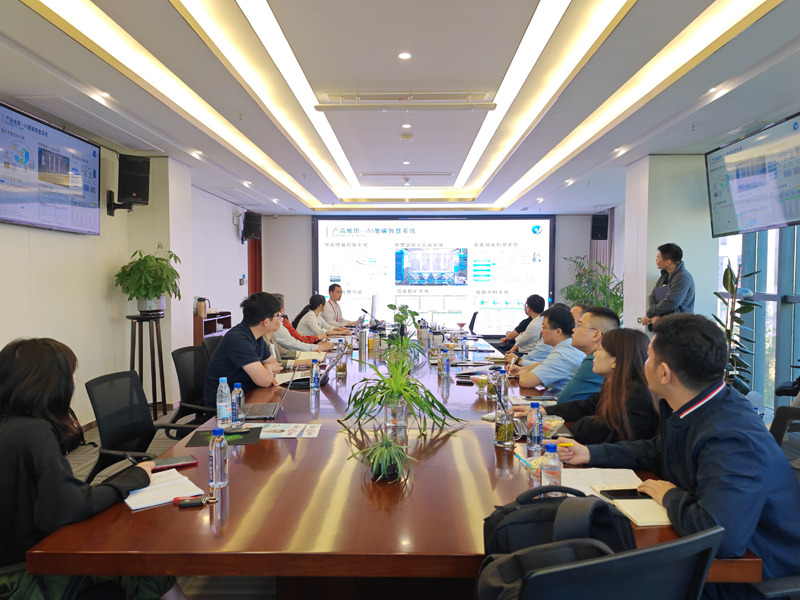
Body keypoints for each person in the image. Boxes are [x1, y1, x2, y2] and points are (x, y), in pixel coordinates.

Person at [555, 314, 800, 600]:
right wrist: (590, 453)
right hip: (710, 556)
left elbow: (721, 536)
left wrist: (670, 495)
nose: (642, 363)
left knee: (591, 579)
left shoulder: (731, 436)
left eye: (648, 357)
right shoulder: (698, 405)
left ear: (664, 373)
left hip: (748, 577)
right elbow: (657, 450)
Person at [0, 338, 186, 600]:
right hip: (27, 577)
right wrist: (133, 478)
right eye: (70, 374)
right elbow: (71, 505)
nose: (74, 381)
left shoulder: (11, 425)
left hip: (16, 562)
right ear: (50, 383)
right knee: (142, 559)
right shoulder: (33, 432)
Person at [515, 328, 658, 445]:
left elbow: (591, 431)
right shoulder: (615, 385)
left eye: (600, 350)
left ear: (615, 361)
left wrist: (584, 421)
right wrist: (540, 411)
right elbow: (586, 406)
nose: (595, 354)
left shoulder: (636, 394)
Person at [203, 292, 283, 407]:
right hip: (225, 407)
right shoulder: (238, 339)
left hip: (247, 396)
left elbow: (276, 365)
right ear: (266, 322)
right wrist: (268, 368)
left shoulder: (257, 336)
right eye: (277, 315)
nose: (279, 319)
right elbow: (265, 381)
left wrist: (267, 369)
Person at [510, 306, 584, 394]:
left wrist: (523, 372)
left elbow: (525, 382)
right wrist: (521, 368)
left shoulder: (562, 355)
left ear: (558, 332)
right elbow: (544, 364)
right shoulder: (570, 347)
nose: (541, 331)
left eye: (544, 327)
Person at [557, 306, 620, 404]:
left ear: (596, 334)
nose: (574, 329)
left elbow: (564, 401)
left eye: (579, 325)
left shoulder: (594, 361)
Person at [641, 243, 695, 327]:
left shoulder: (683, 277)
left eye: (658, 257)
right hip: (665, 324)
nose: (656, 260)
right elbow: (652, 296)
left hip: (679, 326)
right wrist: (654, 315)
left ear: (668, 262)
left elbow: (671, 302)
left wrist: (650, 313)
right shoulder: (665, 275)